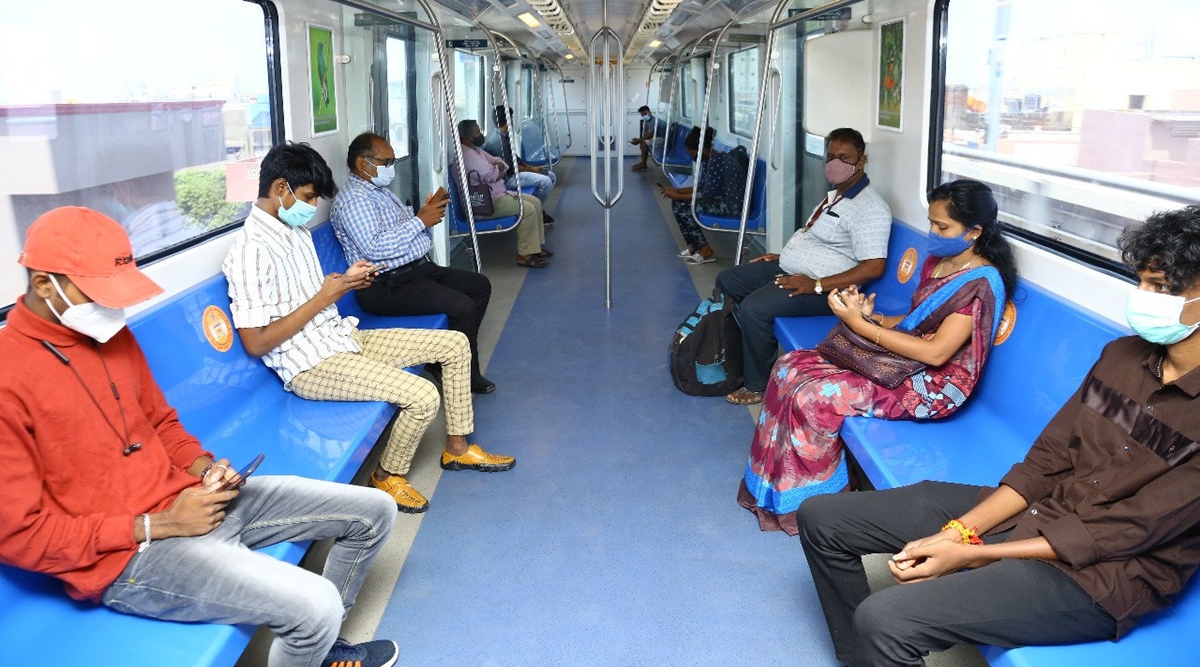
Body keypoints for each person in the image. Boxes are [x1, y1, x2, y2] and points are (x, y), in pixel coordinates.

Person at [796, 204, 1200, 667]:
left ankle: (879, 646)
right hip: (1041, 511)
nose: (1143, 297)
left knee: (886, 618)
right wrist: (963, 531)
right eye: (1142, 282)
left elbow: (1127, 531)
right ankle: (864, 658)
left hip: (1105, 576)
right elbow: (1047, 461)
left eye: (1162, 288)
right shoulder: (1122, 358)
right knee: (823, 518)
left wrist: (975, 553)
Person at [0, 206, 401, 667]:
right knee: (316, 606)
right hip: (127, 556)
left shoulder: (111, 335)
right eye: (100, 294)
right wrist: (161, 524)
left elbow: (162, 424)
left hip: (193, 502)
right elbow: (18, 536)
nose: (114, 307)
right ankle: (317, 637)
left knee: (374, 511)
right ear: (45, 285)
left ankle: (322, 650)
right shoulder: (9, 378)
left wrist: (205, 468)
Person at [222, 142, 515, 515]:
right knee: (423, 396)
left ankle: (457, 448)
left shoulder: (292, 231)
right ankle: (387, 476)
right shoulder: (250, 251)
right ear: (281, 188)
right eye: (309, 197)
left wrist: (344, 282)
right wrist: (326, 296)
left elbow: (306, 297)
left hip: (341, 337)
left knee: (455, 344)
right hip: (311, 365)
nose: (312, 208)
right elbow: (256, 342)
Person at [739, 180, 1016, 535]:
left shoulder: (979, 283)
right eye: (931, 222)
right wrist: (873, 318)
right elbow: (915, 321)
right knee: (789, 367)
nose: (932, 232)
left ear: (974, 231)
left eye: (942, 227)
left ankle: (817, 503)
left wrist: (864, 329)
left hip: (931, 385)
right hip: (905, 360)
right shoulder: (940, 262)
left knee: (814, 396)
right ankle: (771, 487)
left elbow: (937, 352)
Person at [716, 127, 892, 405]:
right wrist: (784, 255)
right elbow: (817, 237)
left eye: (845, 157)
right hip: (795, 272)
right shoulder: (837, 195)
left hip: (827, 291)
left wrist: (816, 285)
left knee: (754, 308)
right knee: (729, 280)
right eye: (831, 155)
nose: (836, 163)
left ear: (861, 161)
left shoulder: (870, 208)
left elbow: (873, 267)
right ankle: (733, 358)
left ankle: (757, 384)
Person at [330, 132, 496, 394]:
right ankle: (464, 376)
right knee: (461, 306)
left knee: (479, 286)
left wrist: (425, 216)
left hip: (416, 271)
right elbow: (375, 249)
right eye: (386, 163)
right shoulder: (353, 201)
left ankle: (443, 360)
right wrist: (420, 221)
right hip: (385, 285)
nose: (391, 169)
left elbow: (407, 237)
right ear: (362, 164)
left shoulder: (381, 193)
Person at [456, 119, 552, 269]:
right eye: (477, 132)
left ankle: (535, 248)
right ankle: (524, 255)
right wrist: (496, 168)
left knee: (535, 202)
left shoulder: (476, 150)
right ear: (467, 137)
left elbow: (500, 163)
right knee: (527, 209)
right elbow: (491, 174)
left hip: (498, 194)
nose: (480, 134)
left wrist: (497, 167)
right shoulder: (465, 155)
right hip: (484, 203)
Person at [658, 126, 748, 265]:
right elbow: (701, 186)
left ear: (701, 150)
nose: (692, 156)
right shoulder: (710, 159)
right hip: (720, 200)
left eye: (693, 153)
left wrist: (677, 196)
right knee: (678, 204)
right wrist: (677, 191)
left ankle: (705, 249)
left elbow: (706, 195)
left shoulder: (717, 162)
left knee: (684, 207)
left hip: (733, 205)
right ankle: (694, 245)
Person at [483, 105, 557, 217]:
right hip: (508, 179)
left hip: (514, 173)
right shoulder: (499, 142)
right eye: (511, 117)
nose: (512, 120)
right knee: (545, 181)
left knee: (551, 176)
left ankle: (536, 206)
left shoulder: (504, 136)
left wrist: (531, 168)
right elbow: (512, 169)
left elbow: (516, 159)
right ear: (508, 119)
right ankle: (536, 211)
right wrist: (534, 171)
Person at [630, 105, 666, 172]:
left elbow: (649, 135)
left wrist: (639, 140)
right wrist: (639, 139)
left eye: (645, 114)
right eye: (642, 115)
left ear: (649, 112)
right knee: (643, 141)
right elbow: (647, 134)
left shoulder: (653, 121)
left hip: (664, 139)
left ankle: (643, 164)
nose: (643, 116)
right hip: (658, 138)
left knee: (644, 142)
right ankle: (643, 163)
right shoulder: (648, 121)